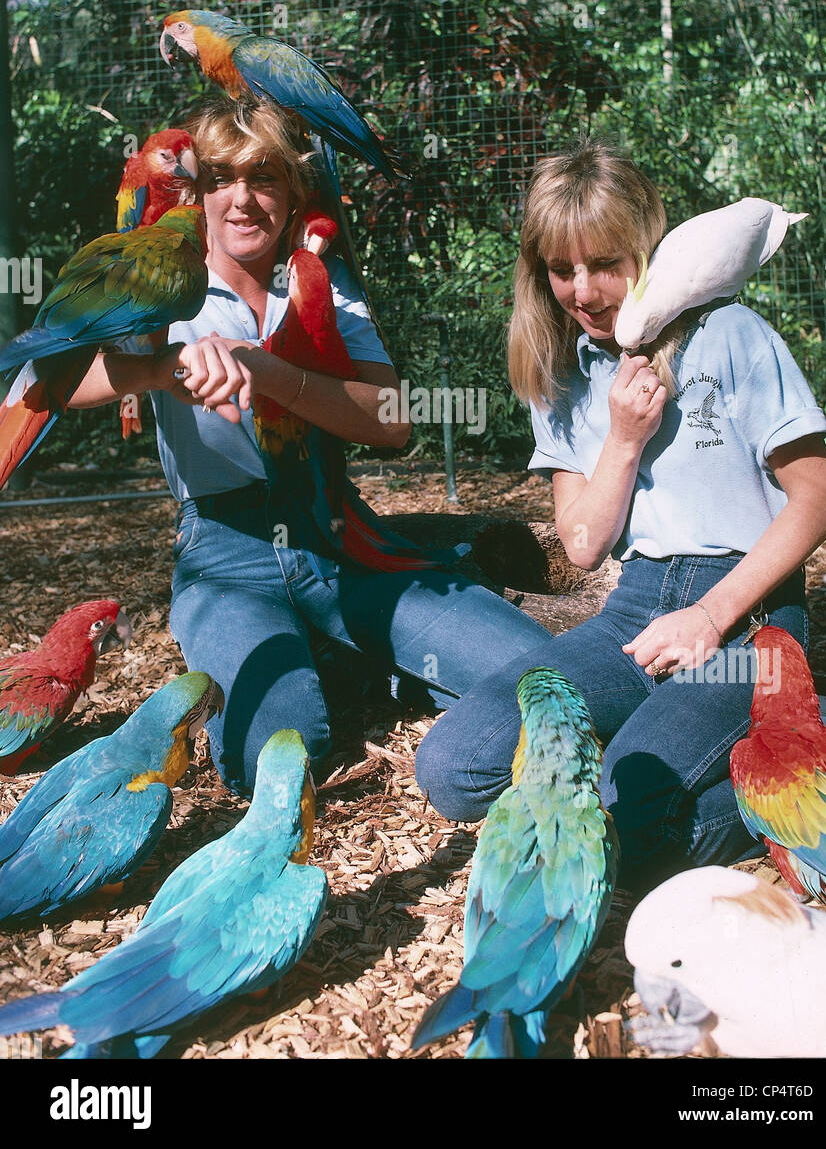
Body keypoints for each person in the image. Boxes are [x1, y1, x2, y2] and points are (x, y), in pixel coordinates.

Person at [68, 99, 553, 796]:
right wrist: (157, 367)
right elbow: (33, 391)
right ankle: (353, 663)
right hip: (223, 556)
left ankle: (364, 659)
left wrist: (267, 369)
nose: (241, 199)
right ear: (194, 193)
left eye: (263, 178)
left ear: (293, 194)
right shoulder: (155, 276)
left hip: (337, 535)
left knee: (540, 672)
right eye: (220, 179)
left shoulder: (321, 282)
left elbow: (392, 423)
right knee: (275, 757)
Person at [414, 139, 826, 895]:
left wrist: (710, 618)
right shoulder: (559, 374)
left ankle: (808, 754)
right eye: (559, 268)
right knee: (453, 767)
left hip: (749, 622)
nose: (581, 290)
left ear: (648, 248)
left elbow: (819, 496)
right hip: (633, 612)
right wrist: (621, 436)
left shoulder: (730, 334)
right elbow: (582, 545)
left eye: (605, 261)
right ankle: (705, 738)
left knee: (623, 828)